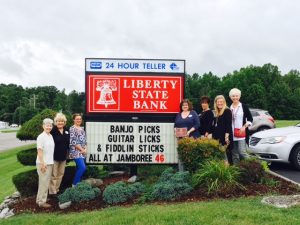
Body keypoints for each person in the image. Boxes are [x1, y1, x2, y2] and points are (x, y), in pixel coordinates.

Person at [174, 99, 200, 171]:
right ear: (181, 106)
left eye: (186, 105)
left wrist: (188, 132)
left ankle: (193, 173)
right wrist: (175, 131)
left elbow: (197, 124)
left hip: (193, 138)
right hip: (181, 139)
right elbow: (175, 125)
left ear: (189, 106)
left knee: (193, 156)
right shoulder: (179, 114)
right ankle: (182, 173)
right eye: (183, 105)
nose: (184, 106)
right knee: (182, 156)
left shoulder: (193, 113)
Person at [229, 88, 253, 164]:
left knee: (242, 152)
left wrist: (244, 127)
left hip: (241, 133)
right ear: (230, 97)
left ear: (239, 96)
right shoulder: (229, 108)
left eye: (236, 96)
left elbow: (250, 119)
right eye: (233, 96)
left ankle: (254, 165)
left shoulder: (243, 106)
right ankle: (237, 171)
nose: (235, 97)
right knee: (234, 154)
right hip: (232, 134)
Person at [49, 113, 70, 196]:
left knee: (60, 174)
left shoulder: (66, 130)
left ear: (64, 122)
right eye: (58, 121)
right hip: (54, 156)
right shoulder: (52, 131)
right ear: (55, 122)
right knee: (53, 175)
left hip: (63, 156)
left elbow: (69, 143)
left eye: (62, 121)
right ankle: (52, 192)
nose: (60, 123)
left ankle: (56, 189)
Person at [36, 118, 55, 208]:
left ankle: (39, 199)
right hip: (43, 163)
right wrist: (42, 163)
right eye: (47, 125)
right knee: (44, 182)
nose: (49, 127)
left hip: (50, 162)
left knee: (44, 182)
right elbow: (39, 151)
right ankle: (42, 202)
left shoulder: (50, 136)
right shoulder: (41, 137)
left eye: (50, 125)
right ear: (43, 126)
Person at [211, 95, 233, 162]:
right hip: (217, 137)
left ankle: (226, 171)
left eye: (221, 102)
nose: (219, 103)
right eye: (218, 102)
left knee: (225, 156)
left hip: (224, 137)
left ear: (224, 102)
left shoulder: (227, 111)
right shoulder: (216, 112)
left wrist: (226, 137)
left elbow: (228, 125)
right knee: (219, 155)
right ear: (216, 103)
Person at [69, 113, 87, 186]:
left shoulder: (82, 129)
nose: (79, 120)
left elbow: (85, 140)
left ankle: (78, 184)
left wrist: (85, 148)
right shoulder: (72, 129)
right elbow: (73, 141)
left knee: (79, 168)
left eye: (80, 119)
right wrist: (82, 150)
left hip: (83, 151)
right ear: (73, 120)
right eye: (77, 119)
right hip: (75, 151)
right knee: (83, 168)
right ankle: (74, 184)